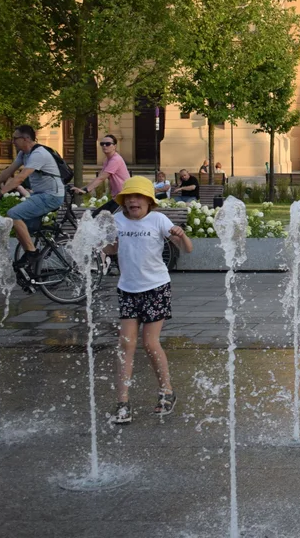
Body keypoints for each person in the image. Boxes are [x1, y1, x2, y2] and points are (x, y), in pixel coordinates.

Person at [106, 176, 193, 425]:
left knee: (150, 343)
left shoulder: (158, 220)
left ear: (148, 202)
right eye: (128, 198)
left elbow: (187, 249)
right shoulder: (117, 220)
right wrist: (95, 245)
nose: (133, 201)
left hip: (155, 288)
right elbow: (111, 248)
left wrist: (181, 235)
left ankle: (167, 391)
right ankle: (122, 403)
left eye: (138, 197)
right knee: (126, 344)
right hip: (128, 289)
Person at [0, 125, 65, 273]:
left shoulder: (38, 153)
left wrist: (1, 193)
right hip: (39, 195)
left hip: (51, 196)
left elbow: (20, 177)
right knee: (20, 224)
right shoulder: (23, 154)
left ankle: (32, 253)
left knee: (14, 214)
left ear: (26, 139)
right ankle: (32, 260)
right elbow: (8, 173)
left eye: (15, 138)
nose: (12, 141)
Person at [74, 134, 130, 216]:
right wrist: (82, 189)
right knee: (96, 216)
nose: (104, 146)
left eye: (107, 144)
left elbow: (102, 178)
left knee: (107, 219)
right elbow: (99, 177)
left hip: (124, 198)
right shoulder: (107, 160)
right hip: (117, 198)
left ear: (114, 146)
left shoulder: (115, 160)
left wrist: (86, 190)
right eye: (102, 144)